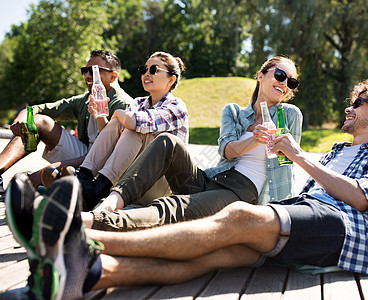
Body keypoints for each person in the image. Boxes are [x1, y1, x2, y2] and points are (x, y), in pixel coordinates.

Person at [6, 79, 368, 299]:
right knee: (214, 254)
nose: (349, 107)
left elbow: (358, 198)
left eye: (358, 103)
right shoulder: (336, 149)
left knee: (234, 216)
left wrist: (298, 154)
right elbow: (232, 150)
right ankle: (89, 275)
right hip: (297, 218)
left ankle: (76, 234)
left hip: (341, 229)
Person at [79, 56, 303, 230]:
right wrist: (254, 139)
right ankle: (109, 202)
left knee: (174, 207)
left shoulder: (289, 115)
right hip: (213, 178)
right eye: (281, 75)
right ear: (261, 75)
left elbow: (287, 161)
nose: (285, 84)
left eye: (291, 82)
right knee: (168, 141)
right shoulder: (234, 112)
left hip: (242, 193)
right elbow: (227, 151)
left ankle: (93, 222)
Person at [0, 50, 133, 192]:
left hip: (105, 166)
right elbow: (37, 109)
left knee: (48, 174)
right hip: (83, 154)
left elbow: (107, 155)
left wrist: (54, 166)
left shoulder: (123, 105)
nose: (88, 75)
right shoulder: (85, 99)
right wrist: (20, 121)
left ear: (113, 77)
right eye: (85, 70)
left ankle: (65, 180)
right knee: (38, 121)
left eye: (94, 71)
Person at [70, 51, 189, 210]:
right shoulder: (138, 103)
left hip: (161, 184)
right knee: (122, 123)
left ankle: (98, 188)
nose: (146, 74)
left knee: (136, 126)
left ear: (171, 79)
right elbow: (113, 139)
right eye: (143, 70)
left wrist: (118, 114)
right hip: (132, 177)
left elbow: (138, 122)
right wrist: (100, 115)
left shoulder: (177, 107)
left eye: (153, 70)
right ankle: (84, 178)